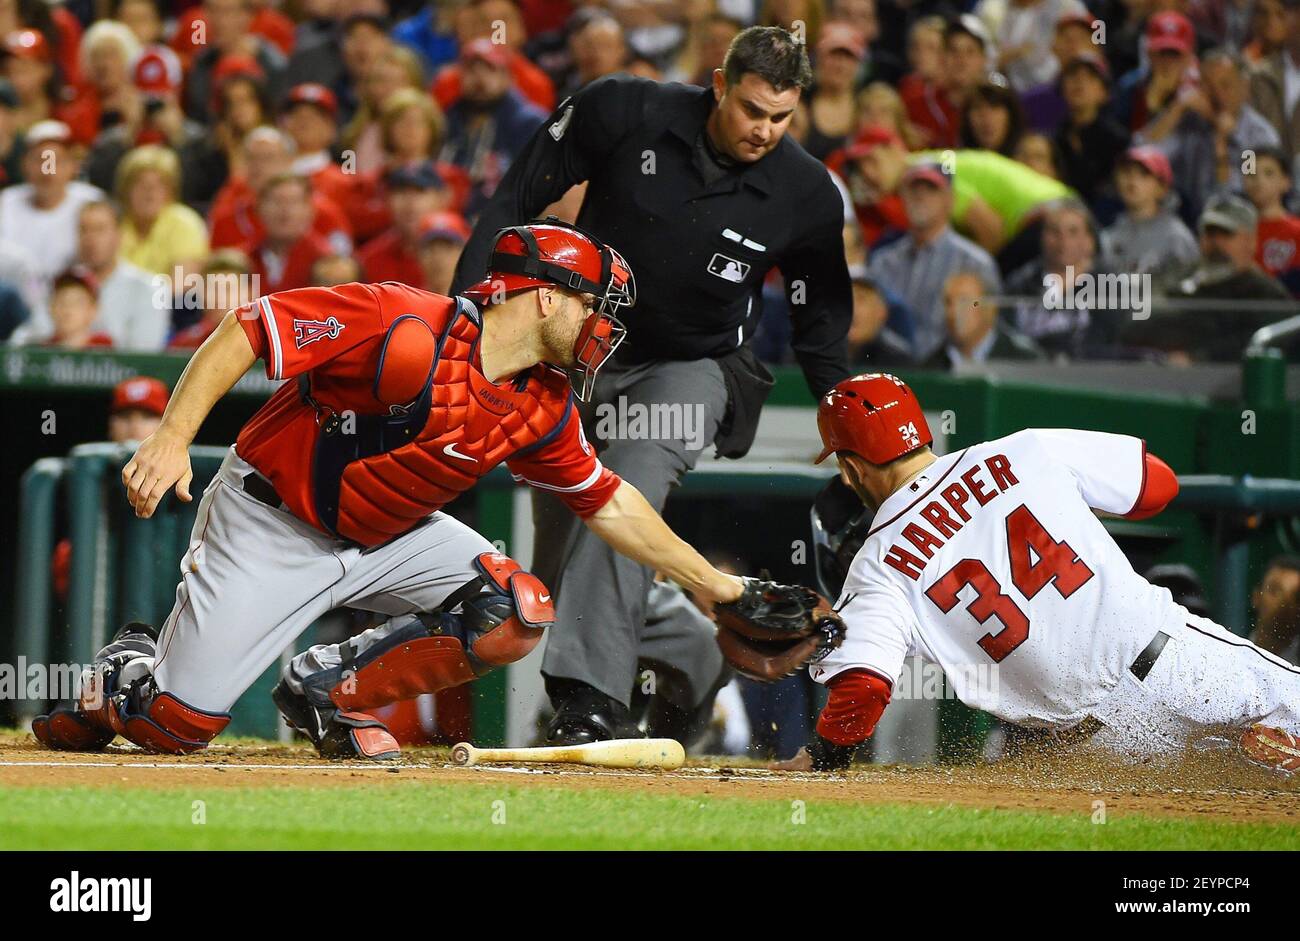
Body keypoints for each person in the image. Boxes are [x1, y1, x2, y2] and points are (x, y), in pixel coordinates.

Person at [30, 221, 769, 762]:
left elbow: (610, 502)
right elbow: (249, 327)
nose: (603, 325)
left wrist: (718, 586)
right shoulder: (405, 322)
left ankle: (326, 688)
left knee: (515, 610)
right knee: (172, 727)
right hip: (273, 521)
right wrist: (171, 435)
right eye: (593, 305)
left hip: (393, 534)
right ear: (545, 299)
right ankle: (124, 667)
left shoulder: (545, 404)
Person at [452, 26, 852, 745]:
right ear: (721, 84)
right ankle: (692, 656)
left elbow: (818, 314)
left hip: (692, 366)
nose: (766, 130)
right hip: (574, 351)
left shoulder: (805, 191)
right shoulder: (622, 110)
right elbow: (518, 196)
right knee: (551, 567)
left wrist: (843, 416)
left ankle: (586, 702)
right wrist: (464, 316)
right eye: (753, 110)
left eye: (782, 117)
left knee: (626, 481)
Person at [777, 372, 1300, 774]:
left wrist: (824, 756)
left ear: (850, 469)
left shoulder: (877, 566)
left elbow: (863, 690)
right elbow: (1158, 486)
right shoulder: (1024, 450)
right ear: (922, 430)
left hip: (1103, 742)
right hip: (1172, 659)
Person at [867, 160, 1002, 360]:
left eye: (931, 189)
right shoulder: (882, 261)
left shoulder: (975, 263)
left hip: (949, 374)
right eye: (913, 189)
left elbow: (987, 330)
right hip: (891, 372)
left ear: (950, 200)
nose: (920, 196)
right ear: (902, 198)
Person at [0, 120, 103, 289]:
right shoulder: (6, 203)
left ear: (73, 165)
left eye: (56, 160)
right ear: (25, 165)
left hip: (76, 299)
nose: (48, 171)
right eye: (41, 160)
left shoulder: (90, 202)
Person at [1099, 146, 1200, 277]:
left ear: (1162, 188)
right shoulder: (1108, 236)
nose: (1132, 180)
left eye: (1144, 174)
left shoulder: (1176, 237)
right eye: (1126, 172)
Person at [922, 269, 1044, 368]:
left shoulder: (1026, 362)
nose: (952, 312)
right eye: (948, 302)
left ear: (989, 309)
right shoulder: (928, 369)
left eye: (964, 302)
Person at [241, 172, 332, 294]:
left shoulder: (327, 261)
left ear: (311, 210)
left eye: (293, 202)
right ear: (258, 208)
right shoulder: (242, 260)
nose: (284, 210)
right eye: (276, 201)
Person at [1243, 144, 1300, 294]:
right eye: (1252, 174)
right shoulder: (1235, 230)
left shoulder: (1297, 232)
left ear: (1286, 182)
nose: (1259, 181)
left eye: (1269, 173)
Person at [41, 269, 112, 349]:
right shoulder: (41, 349)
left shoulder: (105, 348)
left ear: (93, 310)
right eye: (61, 301)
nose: (67, 308)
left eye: (77, 302)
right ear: (51, 307)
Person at [1250, 556, 1300, 663]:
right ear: (1256, 597)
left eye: (1295, 598)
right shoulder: (1229, 653)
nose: (1285, 604)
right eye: (1276, 591)